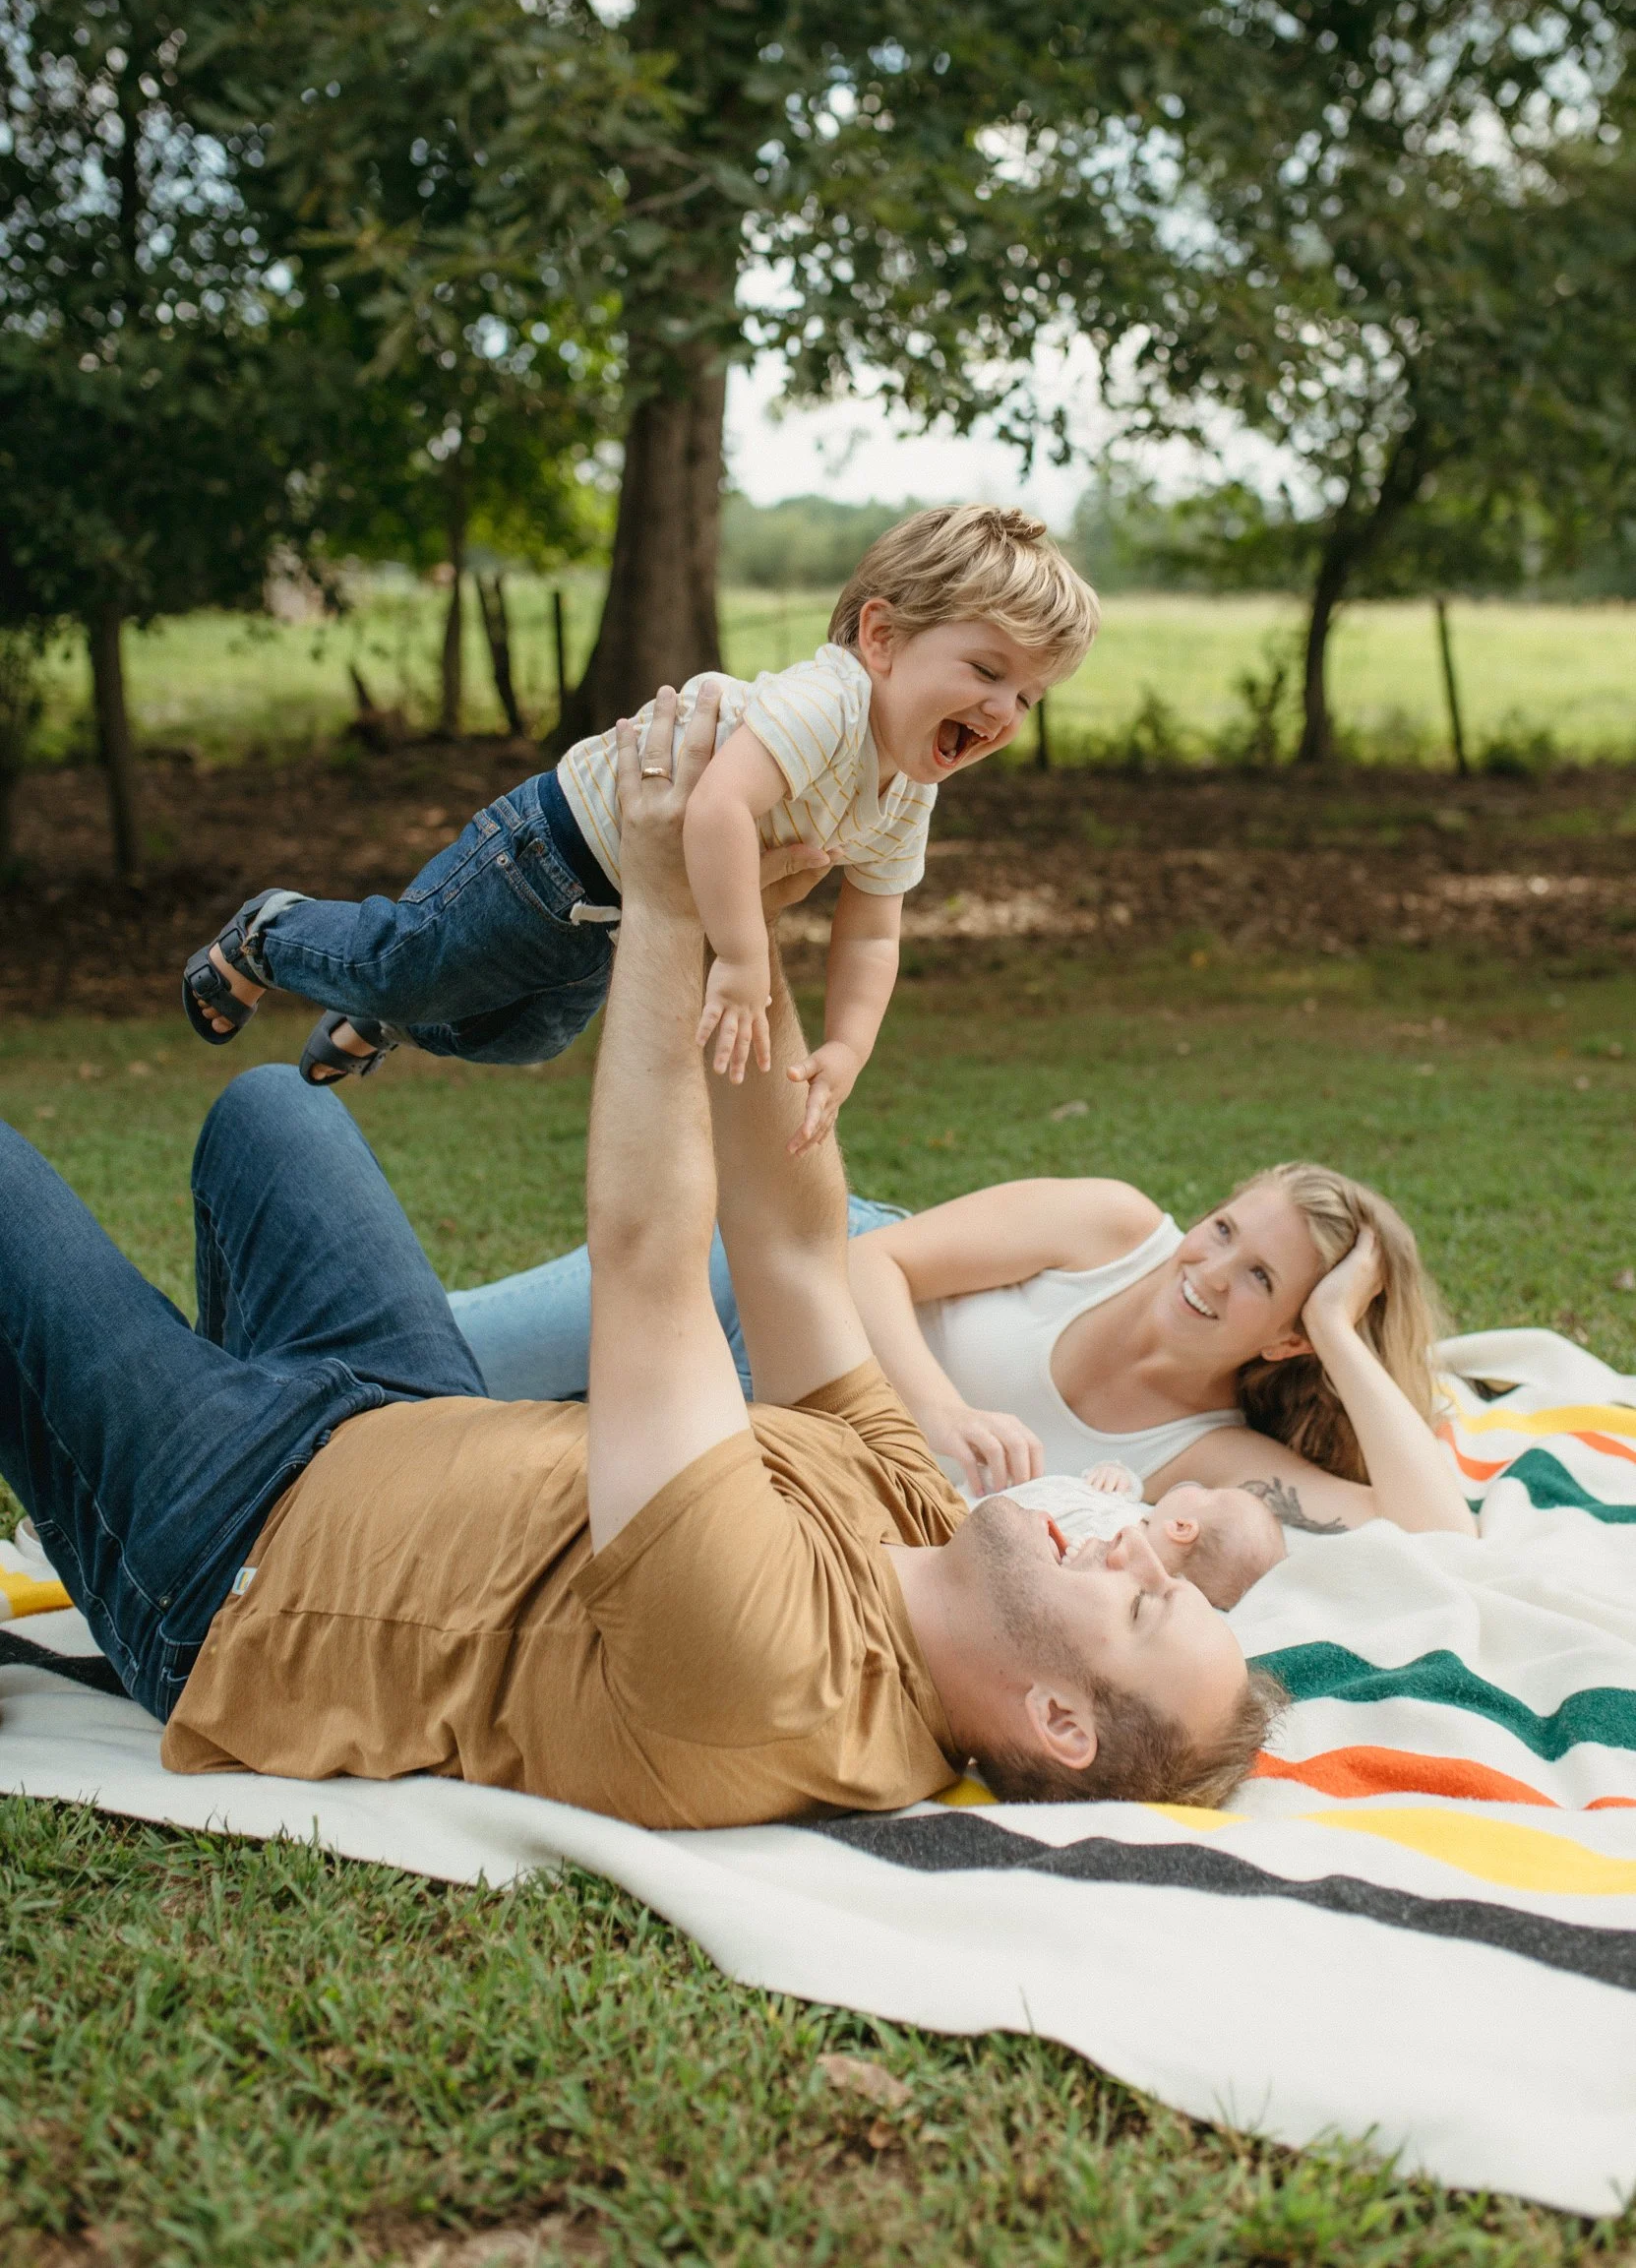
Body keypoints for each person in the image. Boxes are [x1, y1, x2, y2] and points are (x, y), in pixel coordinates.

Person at [0, 688, 1281, 1820]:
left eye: (1142, 1606)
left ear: (1055, 1722)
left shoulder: (772, 1678)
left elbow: (651, 1259)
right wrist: (749, 924)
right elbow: (788, 1243)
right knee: (273, 1116)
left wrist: (664, 907)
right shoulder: (927, 1528)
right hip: (399, 1417)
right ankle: (122, 1419)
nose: (1130, 1550)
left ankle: (118, 1485)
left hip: (230, 1554)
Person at [180, 505, 1096, 1152]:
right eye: (985, 668)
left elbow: (874, 925)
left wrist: (847, 1047)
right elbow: (718, 806)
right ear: (882, 637)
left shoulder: (904, 785)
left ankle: (379, 1019)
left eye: (1027, 694)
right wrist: (739, 959)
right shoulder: (830, 698)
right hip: (548, 852)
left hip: (622, 915)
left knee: (524, 1039)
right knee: (407, 960)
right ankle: (271, 933)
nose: (1003, 709)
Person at [451, 1165, 1476, 1543]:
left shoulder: (1204, 1455)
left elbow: (1437, 1530)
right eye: (1223, 1230)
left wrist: (1345, 1332)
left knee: (448, 1461)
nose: (1208, 1269)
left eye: (1260, 1279)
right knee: (442, 1363)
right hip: (754, 1284)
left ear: (1291, 1335)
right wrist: (938, 1416)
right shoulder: (1112, 1229)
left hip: (758, 1439)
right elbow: (868, 1259)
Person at [1001, 1469, 1287, 1610]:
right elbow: (1128, 1489)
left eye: (1208, 1494)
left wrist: (1071, 1562)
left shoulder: (1114, 1569)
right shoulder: (1145, 1514)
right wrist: (1114, 1473)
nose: (1197, 1487)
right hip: (1006, 1491)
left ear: (1182, 1528)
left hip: (993, 1521)